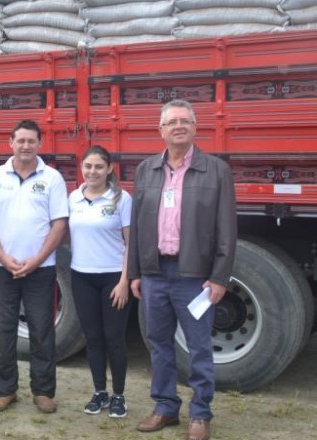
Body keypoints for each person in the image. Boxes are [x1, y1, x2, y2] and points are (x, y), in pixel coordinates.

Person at [129, 100, 236, 440]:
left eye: (185, 121)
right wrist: (135, 272)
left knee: (199, 345)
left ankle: (201, 414)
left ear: (195, 127)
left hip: (194, 277)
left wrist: (219, 277)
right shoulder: (146, 169)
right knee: (158, 343)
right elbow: (137, 225)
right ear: (160, 130)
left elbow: (227, 230)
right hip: (154, 273)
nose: (178, 126)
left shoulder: (216, 170)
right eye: (171, 121)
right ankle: (165, 407)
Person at [0, 120, 69, 414]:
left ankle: (43, 391)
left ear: (40, 144)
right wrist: (4, 258)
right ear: (11, 142)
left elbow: (59, 224)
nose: (26, 146)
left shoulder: (53, 178)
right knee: (2, 330)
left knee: (42, 330)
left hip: (40, 270)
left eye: (31, 141)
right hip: (1, 268)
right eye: (21, 140)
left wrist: (38, 260)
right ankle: (5, 390)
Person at [68, 145, 133, 418]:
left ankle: (119, 396)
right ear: (81, 169)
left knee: (114, 338)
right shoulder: (73, 197)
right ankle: (99, 392)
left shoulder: (121, 198)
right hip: (81, 276)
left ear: (109, 169)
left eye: (98, 166)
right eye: (87, 166)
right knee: (93, 338)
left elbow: (131, 244)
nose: (92, 172)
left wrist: (124, 281)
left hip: (112, 279)